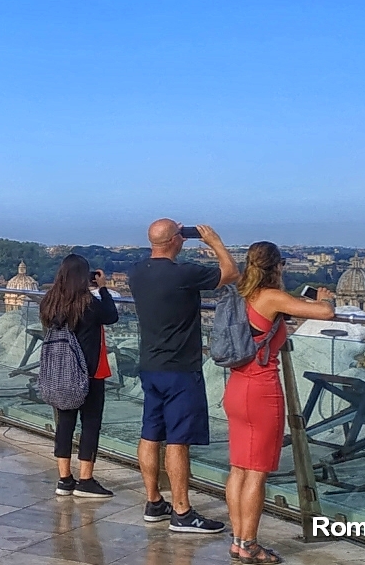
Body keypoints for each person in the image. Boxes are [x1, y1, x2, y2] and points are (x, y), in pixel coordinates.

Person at [224, 242, 335, 564]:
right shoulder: (269, 296)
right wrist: (325, 297)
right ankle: (250, 544)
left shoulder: (239, 293)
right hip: (261, 391)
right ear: (277, 266)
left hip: (236, 386)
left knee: (239, 469)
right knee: (256, 473)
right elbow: (325, 313)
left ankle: (237, 540)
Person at [128, 219, 238, 534]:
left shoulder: (136, 272)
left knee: (150, 434)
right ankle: (181, 511)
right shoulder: (184, 274)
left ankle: (153, 501)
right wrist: (214, 241)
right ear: (177, 239)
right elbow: (230, 273)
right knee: (178, 441)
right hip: (180, 369)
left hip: (150, 364)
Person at [42, 253, 119, 498]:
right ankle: (86, 479)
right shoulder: (89, 304)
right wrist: (103, 289)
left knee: (65, 423)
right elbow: (112, 316)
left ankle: (64, 479)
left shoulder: (49, 303)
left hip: (60, 371)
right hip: (90, 371)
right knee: (90, 424)